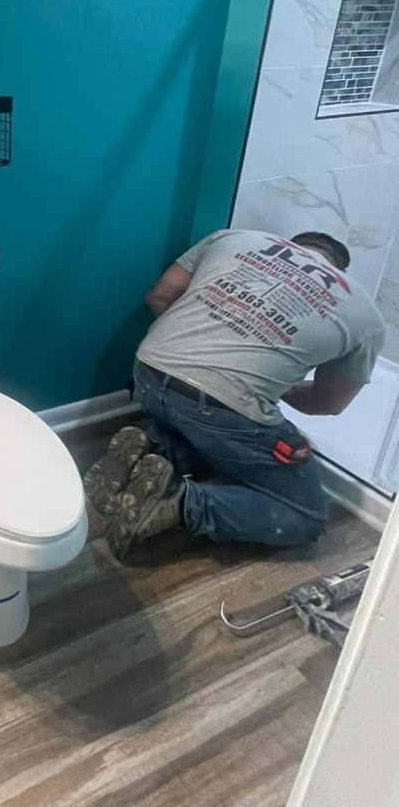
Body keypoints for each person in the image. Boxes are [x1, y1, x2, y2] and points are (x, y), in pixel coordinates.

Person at [85, 229, 385, 562]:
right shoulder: (363, 311)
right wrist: (264, 384)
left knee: (218, 430)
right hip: (219, 412)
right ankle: (179, 501)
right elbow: (327, 404)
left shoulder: (234, 238)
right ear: (339, 271)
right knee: (306, 516)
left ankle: (153, 446)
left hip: (148, 375)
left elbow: (159, 297)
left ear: (289, 243)